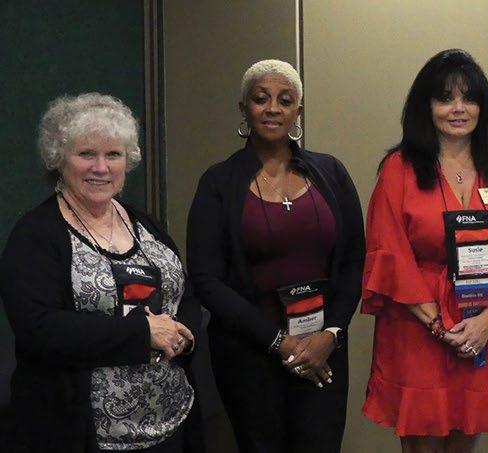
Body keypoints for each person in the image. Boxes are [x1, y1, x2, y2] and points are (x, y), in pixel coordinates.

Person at [361, 49, 488, 453]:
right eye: (445, 98)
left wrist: (486, 322)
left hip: (484, 326)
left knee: (467, 439)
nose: (458, 108)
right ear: (426, 106)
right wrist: (438, 325)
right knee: (423, 445)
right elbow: (388, 251)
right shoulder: (399, 169)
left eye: (469, 98)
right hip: (418, 328)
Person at [0, 93, 202, 452]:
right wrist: (143, 333)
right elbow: (39, 329)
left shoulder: (144, 223)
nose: (101, 167)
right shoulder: (36, 235)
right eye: (86, 154)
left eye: (113, 154)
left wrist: (181, 336)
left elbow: (182, 292)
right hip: (80, 432)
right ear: (59, 159)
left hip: (170, 422)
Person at [186, 59, 364, 452]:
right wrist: (278, 342)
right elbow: (205, 279)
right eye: (260, 99)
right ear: (243, 108)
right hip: (250, 353)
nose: (272, 109)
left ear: (298, 110)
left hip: (322, 350)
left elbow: (354, 260)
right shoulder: (218, 182)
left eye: (285, 100)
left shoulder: (331, 172)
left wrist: (332, 334)